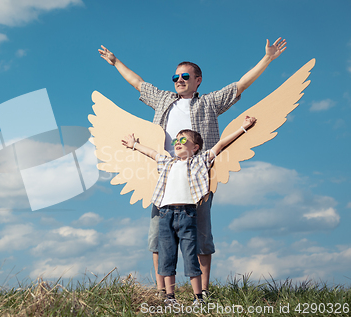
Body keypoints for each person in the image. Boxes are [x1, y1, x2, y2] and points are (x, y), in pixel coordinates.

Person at [98, 38, 286, 298]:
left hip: (198, 178)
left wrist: (267, 59)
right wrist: (115, 61)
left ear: (198, 80)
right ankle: (163, 292)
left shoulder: (209, 103)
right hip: (164, 176)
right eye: (175, 76)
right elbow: (138, 83)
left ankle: (203, 292)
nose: (179, 80)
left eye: (185, 76)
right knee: (158, 236)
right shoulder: (164, 100)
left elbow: (240, 85)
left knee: (201, 234)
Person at [121, 116, 257, 305]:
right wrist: (134, 145)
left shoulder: (200, 161)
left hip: (187, 214)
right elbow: (152, 153)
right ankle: (170, 297)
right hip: (165, 213)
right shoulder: (168, 163)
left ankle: (198, 297)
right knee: (167, 255)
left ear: (195, 147)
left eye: (183, 140)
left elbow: (220, 145)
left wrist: (243, 128)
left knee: (190, 255)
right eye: (176, 140)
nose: (178, 143)